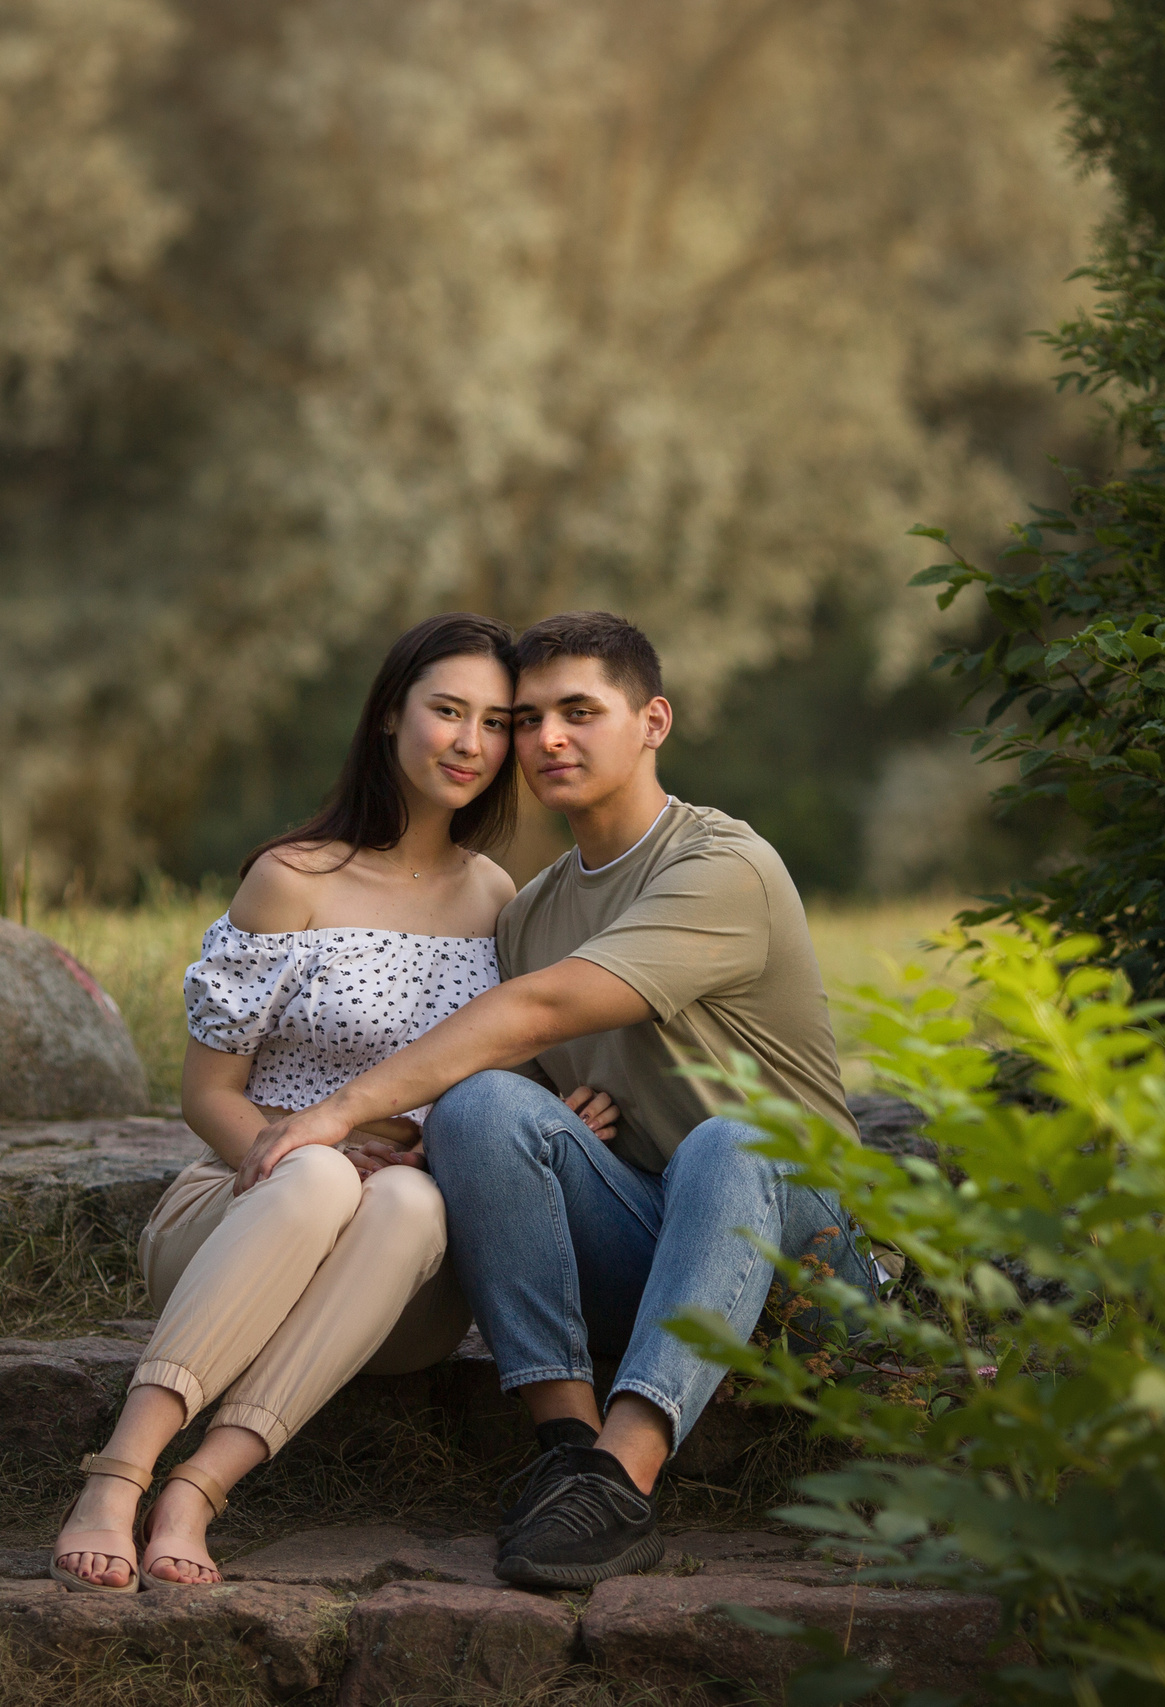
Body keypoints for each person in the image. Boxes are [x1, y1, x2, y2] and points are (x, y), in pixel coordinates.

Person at [233, 610, 871, 1590]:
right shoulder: (531, 912)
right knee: (479, 1105)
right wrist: (493, 1134)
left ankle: (621, 1480)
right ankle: (568, 1450)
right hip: (652, 1246)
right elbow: (514, 1100)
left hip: (804, 1260)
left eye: (579, 712)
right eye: (526, 720)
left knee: (732, 1140)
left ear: (652, 721)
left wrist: (334, 1109)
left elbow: (541, 1009)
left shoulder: (722, 866)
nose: (546, 740)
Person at [49, 612, 622, 1593]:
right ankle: (119, 1477)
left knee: (408, 1199)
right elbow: (206, 1093)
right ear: (390, 715)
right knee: (319, 1176)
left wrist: (565, 1119)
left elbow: (510, 1073)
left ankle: (198, 1488)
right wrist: (311, 1159)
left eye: (496, 723)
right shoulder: (291, 880)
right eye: (448, 711)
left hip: (402, 1283)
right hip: (240, 1221)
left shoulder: (497, 899)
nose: (471, 743)